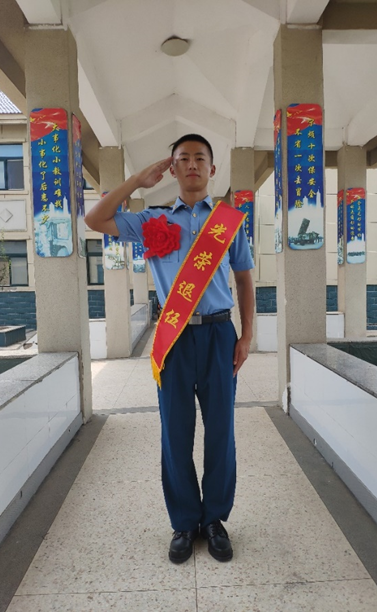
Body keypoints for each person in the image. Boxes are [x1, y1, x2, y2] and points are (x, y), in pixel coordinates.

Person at [85, 134, 254, 564]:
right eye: (183, 158)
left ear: (212, 169)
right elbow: (95, 218)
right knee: (175, 433)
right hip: (174, 338)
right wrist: (136, 181)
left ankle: (214, 520)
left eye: (200, 158)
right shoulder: (152, 220)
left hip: (218, 335)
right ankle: (184, 522)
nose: (192, 164)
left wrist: (246, 336)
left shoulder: (229, 221)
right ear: (172, 168)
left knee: (221, 433)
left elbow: (244, 279)